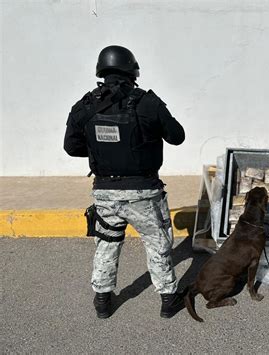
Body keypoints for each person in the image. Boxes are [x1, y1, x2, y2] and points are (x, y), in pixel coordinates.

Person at [64, 45, 186, 319]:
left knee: (107, 243)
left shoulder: (85, 104)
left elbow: (71, 147)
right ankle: (168, 299)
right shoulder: (147, 102)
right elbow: (177, 136)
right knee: (157, 243)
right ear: (132, 71)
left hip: (105, 193)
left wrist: (103, 147)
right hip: (144, 193)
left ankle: (103, 301)